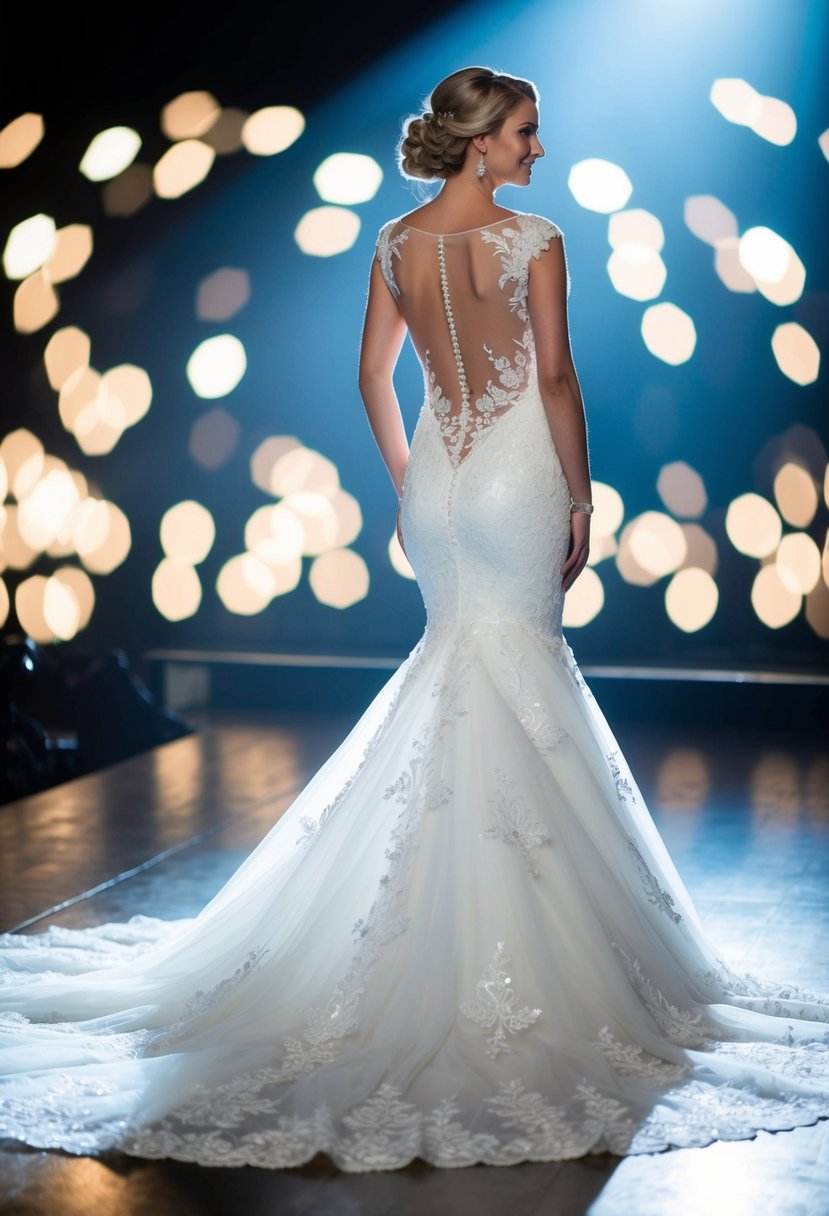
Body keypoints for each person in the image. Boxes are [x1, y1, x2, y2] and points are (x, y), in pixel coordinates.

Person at [1, 66, 828, 1175]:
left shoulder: (393, 240)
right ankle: (524, 958)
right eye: (527, 130)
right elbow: (558, 379)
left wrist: (406, 478)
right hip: (514, 477)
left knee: (460, 672)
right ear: (482, 141)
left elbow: (369, 375)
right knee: (519, 671)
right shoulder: (533, 240)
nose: (540, 146)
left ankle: (440, 937)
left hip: (437, 483)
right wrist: (582, 497)